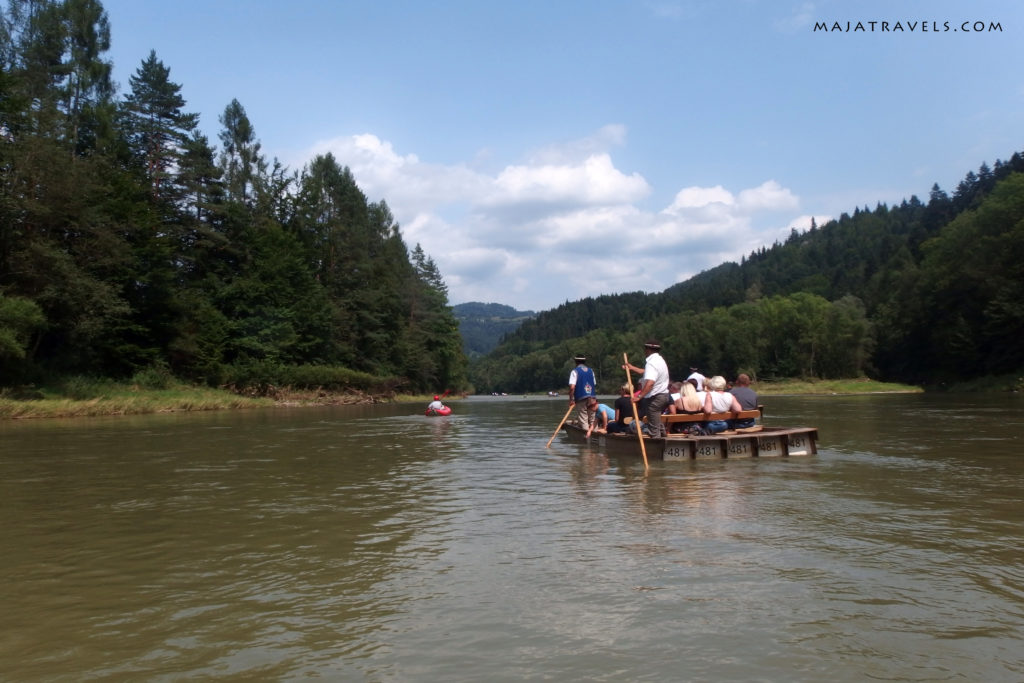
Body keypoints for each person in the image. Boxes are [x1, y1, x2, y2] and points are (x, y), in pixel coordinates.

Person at [623, 340, 671, 438]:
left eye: (645, 349)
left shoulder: (651, 363)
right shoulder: (660, 360)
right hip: (664, 396)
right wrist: (632, 368)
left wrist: (639, 397)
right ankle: (663, 436)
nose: (644, 351)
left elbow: (650, 383)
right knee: (656, 419)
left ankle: (656, 443)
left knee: (653, 422)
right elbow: (646, 372)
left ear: (648, 349)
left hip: (656, 397)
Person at [568, 354, 597, 429]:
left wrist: (571, 400)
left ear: (576, 362)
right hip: (592, 397)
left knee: (583, 420)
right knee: (592, 419)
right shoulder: (591, 371)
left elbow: (572, 387)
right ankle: (595, 434)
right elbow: (594, 384)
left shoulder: (575, 371)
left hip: (581, 398)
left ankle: (587, 437)